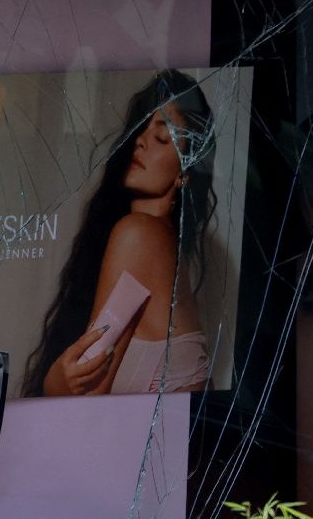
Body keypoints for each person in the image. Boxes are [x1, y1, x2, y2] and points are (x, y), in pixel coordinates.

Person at [24, 70, 217, 398]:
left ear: (186, 171)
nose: (141, 140)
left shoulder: (140, 235)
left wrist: (53, 383)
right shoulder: (164, 246)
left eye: (162, 138)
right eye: (142, 128)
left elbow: (87, 389)